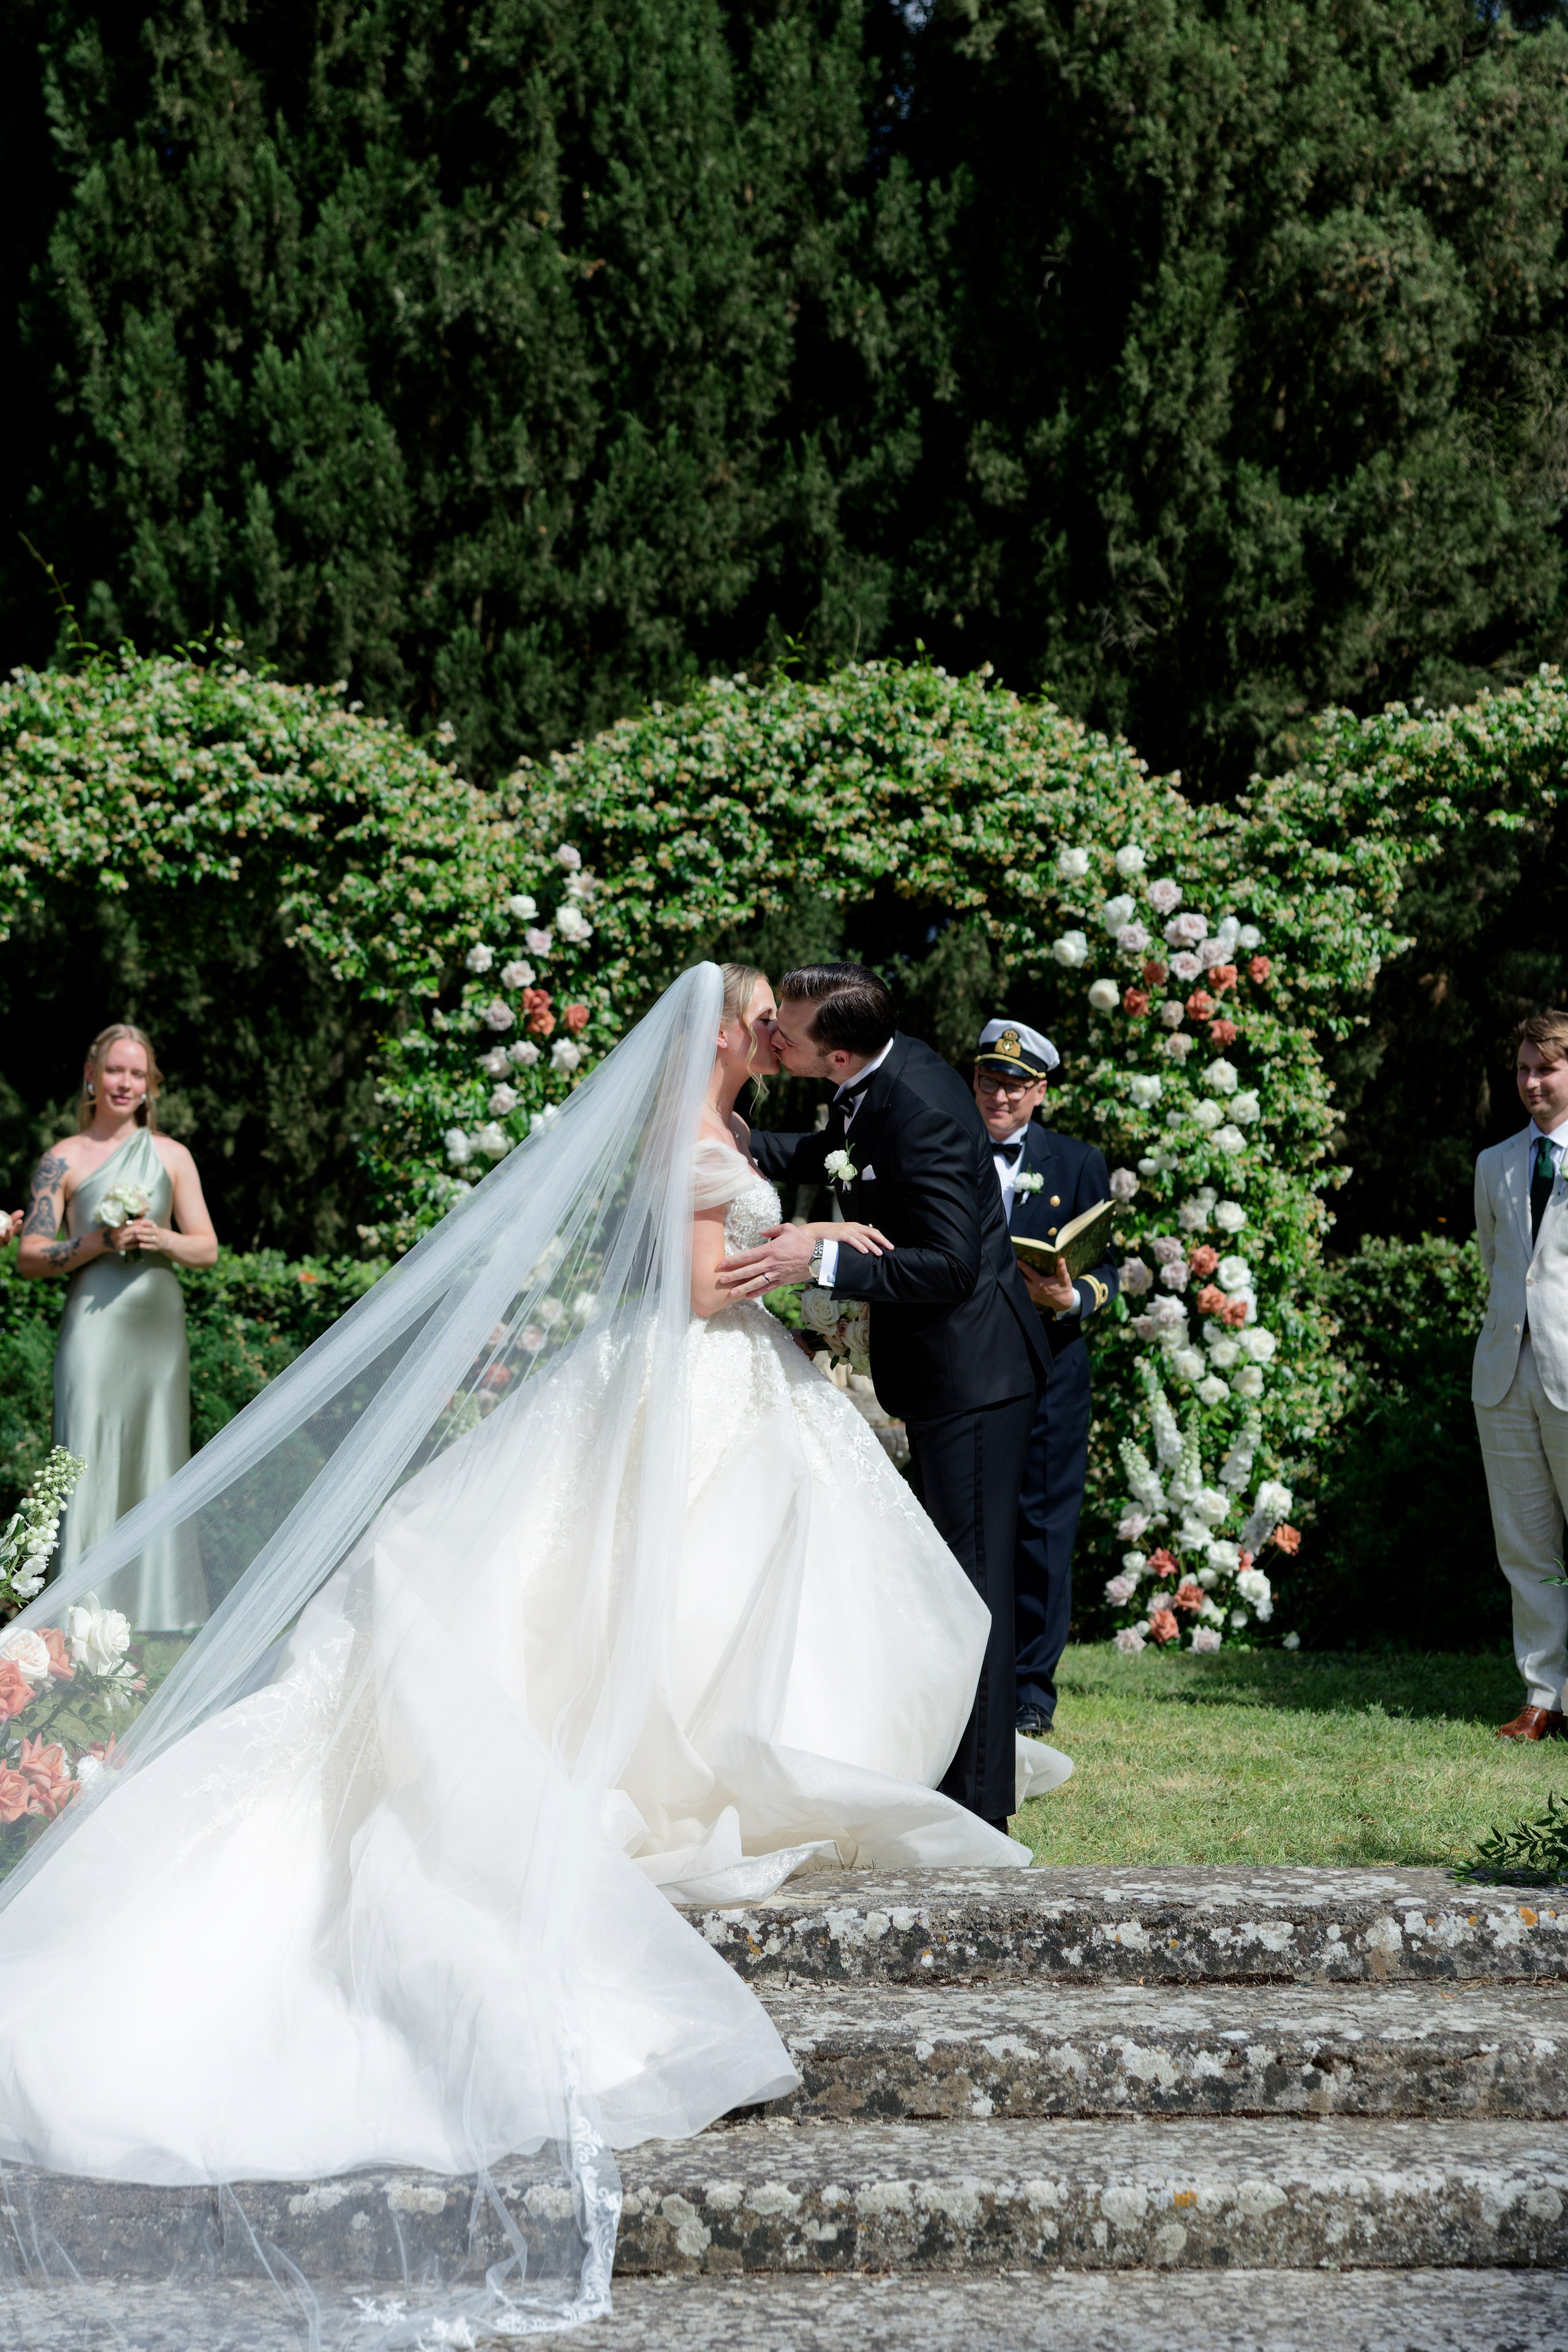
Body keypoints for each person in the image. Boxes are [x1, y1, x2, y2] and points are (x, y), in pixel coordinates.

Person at [0, 964, 1068, 2342]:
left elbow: (806, 1192)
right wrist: (808, 1255)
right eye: (755, 1019)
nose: (768, 1036)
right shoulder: (696, 1134)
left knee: (757, 1590)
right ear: (728, 1033)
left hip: (732, 1371)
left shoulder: (739, 1125)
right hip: (699, 1370)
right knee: (666, 1599)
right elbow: (694, 1289)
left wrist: (816, 1231)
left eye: (773, 1021)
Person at [719, 963, 1054, 1834]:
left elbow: (948, 1265)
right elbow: (845, 1161)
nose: (773, 1038)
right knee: (951, 1580)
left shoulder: (927, 1111)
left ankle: (980, 1807)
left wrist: (816, 1260)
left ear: (833, 1053)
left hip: (975, 1379)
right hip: (950, 1373)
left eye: (784, 1030)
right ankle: (961, 1779)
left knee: (972, 1589)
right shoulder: (874, 1077)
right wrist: (735, 1148)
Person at [15, 1023, 217, 1631]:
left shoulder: (172, 1156)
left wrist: (165, 1238)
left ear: (151, 1085)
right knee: (83, 1450)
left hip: (157, 1326)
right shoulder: (63, 1160)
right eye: (115, 1071)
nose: (125, 1083)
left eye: (137, 1073)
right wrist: (97, 1240)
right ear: (92, 1076)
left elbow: (207, 1248)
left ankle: (158, 1610)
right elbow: (29, 1257)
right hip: (94, 1327)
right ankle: (77, 1610)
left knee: (156, 1451)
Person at [971, 1018, 1118, 1738]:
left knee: (1042, 1526)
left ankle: (1032, 1688)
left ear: (1041, 1092)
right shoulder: (946, 1147)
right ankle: (968, 1673)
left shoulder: (1076, 1160)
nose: (998, 1095)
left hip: (1051, 1362)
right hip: (965, 1360)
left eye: (1014, 1084)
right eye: (988, 1080)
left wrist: (1073, 1297)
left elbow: (1108, 1266)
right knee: (965, 1521)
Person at [1473, 1011, 1568, 1740]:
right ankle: (1543, 1696)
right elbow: (1499, 1266)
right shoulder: (1495, 1161)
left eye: (1546, 1068)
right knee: (1525, 1546)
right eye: (1523, 1069)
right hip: (1505, 1376)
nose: (1531, 1082)